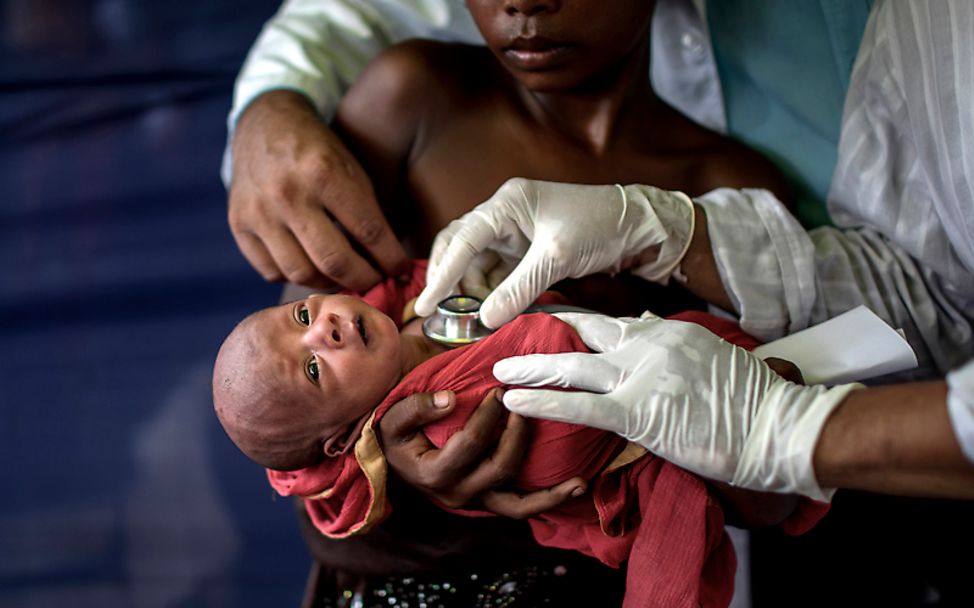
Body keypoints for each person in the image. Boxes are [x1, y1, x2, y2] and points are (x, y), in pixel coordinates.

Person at [212, 259, 823, 607]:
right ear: (343, 441)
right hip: (629, 441)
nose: (326, 328)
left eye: (301, 315)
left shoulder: (395, 315)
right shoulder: (444, 420)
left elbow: (426, 278)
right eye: (314, 368)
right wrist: (518, 295)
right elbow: (553, 352)